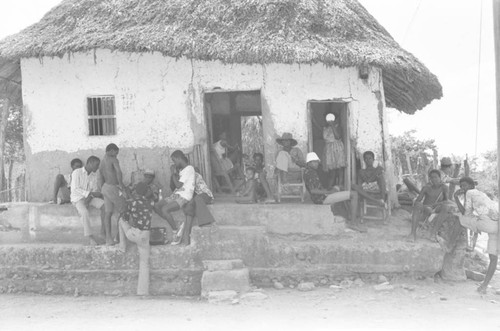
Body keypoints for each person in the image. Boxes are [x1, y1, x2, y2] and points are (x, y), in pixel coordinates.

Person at [454, 177, 498, 294]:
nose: (463, 188)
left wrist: (456, 198)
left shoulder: (470, 193)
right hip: (494, 226)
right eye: (461, 186)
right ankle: (483, 287)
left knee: (461, 217)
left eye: (464, 185)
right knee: (493, 258)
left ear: (471, 185)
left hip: (491, 225)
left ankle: (451, 242)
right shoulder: (481, 194)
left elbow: (465, 212)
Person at [304, 152, 366, 232]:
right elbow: (313, 190)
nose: (317, 164)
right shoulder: (310, 173)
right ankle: (353, 223)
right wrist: (328, 192)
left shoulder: (309, 171)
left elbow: (315, 188)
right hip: (322, 199)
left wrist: (330, 189)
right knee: (354, 194)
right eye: (315, 162)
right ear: (309, 162)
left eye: (317, 162)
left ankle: (349, 216)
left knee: (340, 188)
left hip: (322, 196)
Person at [118, 182, 153, 296]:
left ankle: (122, 246)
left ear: (136, 191)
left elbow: (125, 217)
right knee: (144, 264)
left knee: (120, 220)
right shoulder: (149, 202)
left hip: (135, 234)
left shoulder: (131, 202)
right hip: (146, 236)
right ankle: (143, 293)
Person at [154, 150, 195, 242]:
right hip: (176, 195)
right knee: (156, 206)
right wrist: (175, 174)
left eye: (174, 160)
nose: (174, 163)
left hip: (184, 197)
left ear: (179, 158)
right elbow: (175, 186)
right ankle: (175, 224)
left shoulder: (189, 168)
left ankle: (175, 231)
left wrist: (173, 173)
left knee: (165, 209)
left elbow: (178, 185)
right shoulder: (182, 171)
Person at [70, 156, 105, 246]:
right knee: (84, 213)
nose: (98, 167)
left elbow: (94, 189)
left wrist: (90, 196)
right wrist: (89, 194)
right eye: (96, 165)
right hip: (78, 199)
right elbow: (75, 189)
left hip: (90, 197)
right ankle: (90, 237)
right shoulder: (76, 172)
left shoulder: (94, 175)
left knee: (105, 206)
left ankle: (103, 231)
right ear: (90, 163)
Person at [407, 169, 449, 242]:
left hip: (436, 208)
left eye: (436, 177)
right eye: (432, 177)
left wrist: (434, 205)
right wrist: (426, 207)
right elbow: (418, 201)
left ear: (440, 178)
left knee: (445, 207)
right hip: (425, 208)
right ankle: (412, 234)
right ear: (430, 179)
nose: (434, 179)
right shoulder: (426, 188)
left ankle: (433, 234)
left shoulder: (444, 187)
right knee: (417, 205)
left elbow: (446, 201)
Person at [99, 143, 127, 245]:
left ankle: (108, 238)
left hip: (105, 187)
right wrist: (121, 185)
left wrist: (102, 189)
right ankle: (119, 237)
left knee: (108, 213)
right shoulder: (113, 159)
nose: (116, 155)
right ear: (111, 151)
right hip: (113, 187)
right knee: (124, 210)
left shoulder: (102, 161)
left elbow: (101, 176)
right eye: (116, 153)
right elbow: (119, 172)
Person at [322, 113, 346, 189]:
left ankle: (340, 185)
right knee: (331, 169)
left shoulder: (338, 126)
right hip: (328, 149)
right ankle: (330, 187)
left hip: (337, 147)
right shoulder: (325, 128)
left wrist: (332, 125)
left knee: (339, 168)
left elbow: (338, 136)